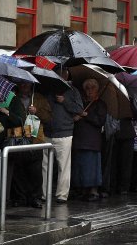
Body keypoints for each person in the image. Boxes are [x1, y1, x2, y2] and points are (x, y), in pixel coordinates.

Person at [43, 67, 83, 203]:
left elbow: (79, 109)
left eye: (62, 74)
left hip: (65, 133)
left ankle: (61, 195)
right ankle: (44, 194)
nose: (60, 76)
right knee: (45, 166)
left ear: (66, 75)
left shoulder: (73, 91)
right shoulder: (47, 90)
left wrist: (64, 101)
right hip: (48, 132)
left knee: (63, 166)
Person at [71, 78, 107, 201]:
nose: (90, 91)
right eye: (87, 88)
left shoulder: (101, 104)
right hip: (79, 139)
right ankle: (81, 189)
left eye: (92, 88)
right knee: (79, 167)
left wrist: (86, 115)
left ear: (97, 90)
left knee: (92, 167)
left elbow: (100, 121)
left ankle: (93, 191)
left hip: (92, 141)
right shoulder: (82, 103)